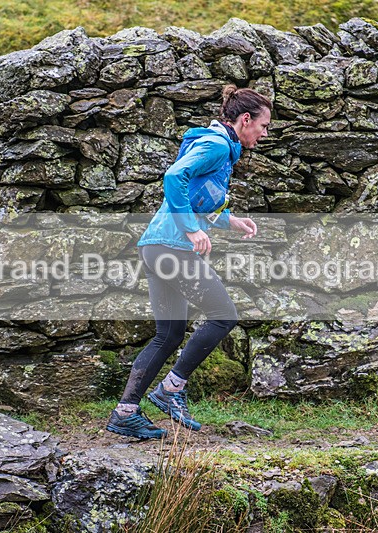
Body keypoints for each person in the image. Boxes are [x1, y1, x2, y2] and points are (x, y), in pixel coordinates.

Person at [106, 85, 272, 439]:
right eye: (263, 125)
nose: (264, 133)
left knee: (168, 335)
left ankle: (125, 412)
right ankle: (171, 389)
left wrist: (230, 221)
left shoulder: (222, 149)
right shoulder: (214, 145)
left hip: (156, 246)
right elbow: (173, 178)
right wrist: (190, 230)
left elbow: (198, 197)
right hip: (172, 247)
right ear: (245, 120)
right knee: (224, 315)